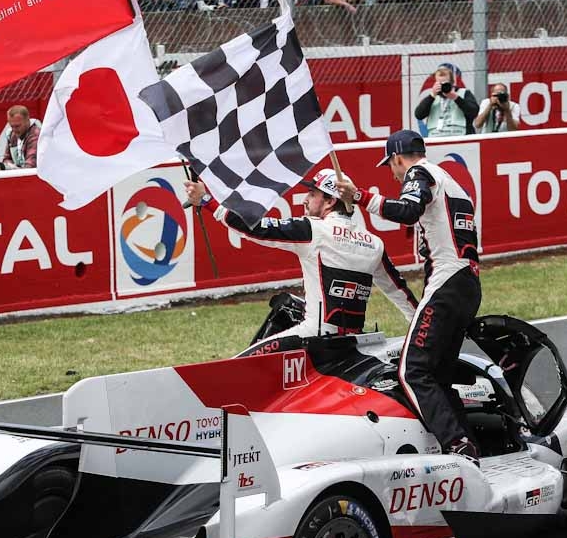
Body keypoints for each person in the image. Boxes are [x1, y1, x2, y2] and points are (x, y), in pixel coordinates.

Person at [336, 130, 483, 464]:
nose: (392, 174)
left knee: (411, 370)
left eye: (390, 165)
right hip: (468, 283)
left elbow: (407, 210)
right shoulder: (450, 180)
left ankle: (458, 444)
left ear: (398, 157)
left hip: (448, 281)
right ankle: (470, 446)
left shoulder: (420, 172)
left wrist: (359, 196)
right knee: (438, 375)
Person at [183, 168, 418, 355]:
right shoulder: (375, 243)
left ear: (329, 201)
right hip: (356, 343)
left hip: (315, 338)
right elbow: (400, 292)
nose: (305, 200)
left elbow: (254, 227)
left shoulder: (313, 229)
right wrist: (424, 335)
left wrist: (207, 200)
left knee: (239, 366)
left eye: (312, 194)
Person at [414, 64, 478, 137]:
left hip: (460, 135)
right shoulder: (432, 98)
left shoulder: (463, 93)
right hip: (436, 136)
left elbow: (474, 112)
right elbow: (419, 115)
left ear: (452, 83)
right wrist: (432, 96)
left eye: (445, 84)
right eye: (440, 84)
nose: (442, 86)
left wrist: (456, 98)